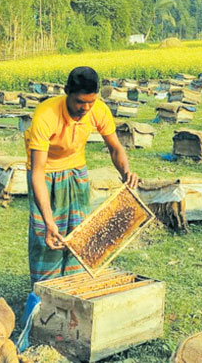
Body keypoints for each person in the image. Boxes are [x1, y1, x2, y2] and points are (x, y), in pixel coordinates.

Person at [24, 66, 139, 285]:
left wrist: (126, 172)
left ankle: (74, 285)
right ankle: (45, 288)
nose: (85, 108)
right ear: (67, 91)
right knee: (47, 235)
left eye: (90, 102)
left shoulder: (99, 110)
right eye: (79, 102)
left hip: (76, 172)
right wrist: (48, 221)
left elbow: (115, 148)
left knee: (80, 232)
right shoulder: (46, 115)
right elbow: (37, 172)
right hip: (46, 174)